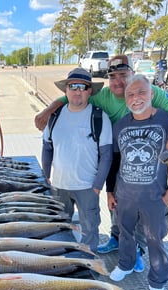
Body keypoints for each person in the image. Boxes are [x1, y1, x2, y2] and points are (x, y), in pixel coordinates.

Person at [35, 54, 168, 270]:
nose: (119, 82)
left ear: (133, 74)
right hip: (118, 159)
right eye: (113, 76)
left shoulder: (149, 92)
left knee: (145, 218)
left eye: (123, 75)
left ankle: (139, 251)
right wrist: (47, 111)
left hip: (148, 166)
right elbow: (72, 97)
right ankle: (118, 240)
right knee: (117, 206)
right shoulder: (102, 96)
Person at [107, 74, 168, 290]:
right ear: (126, 100)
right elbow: (114, 162)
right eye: (131, 94)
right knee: (125, 233)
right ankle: (126, 264)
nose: (136, 98)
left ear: (152, 94)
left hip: (155, 197)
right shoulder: (120, 126)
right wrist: (111, 191)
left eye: (141, 92)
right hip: (125, 195)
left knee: (155, 240)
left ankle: (158, 282)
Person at [41, 68, 112, 252]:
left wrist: (97, 186)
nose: (77, 91)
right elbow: (47, 147)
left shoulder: (99, 117)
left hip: (87, 187)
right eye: (73, 86)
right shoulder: (54, 117)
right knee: (60, 227)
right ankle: (65, 262)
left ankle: (89, 266)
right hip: (59, 186)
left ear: (89, 91)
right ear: (66, 89)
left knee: (89, 231)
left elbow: (106, 155)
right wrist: (46, 175)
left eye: (83, 86)